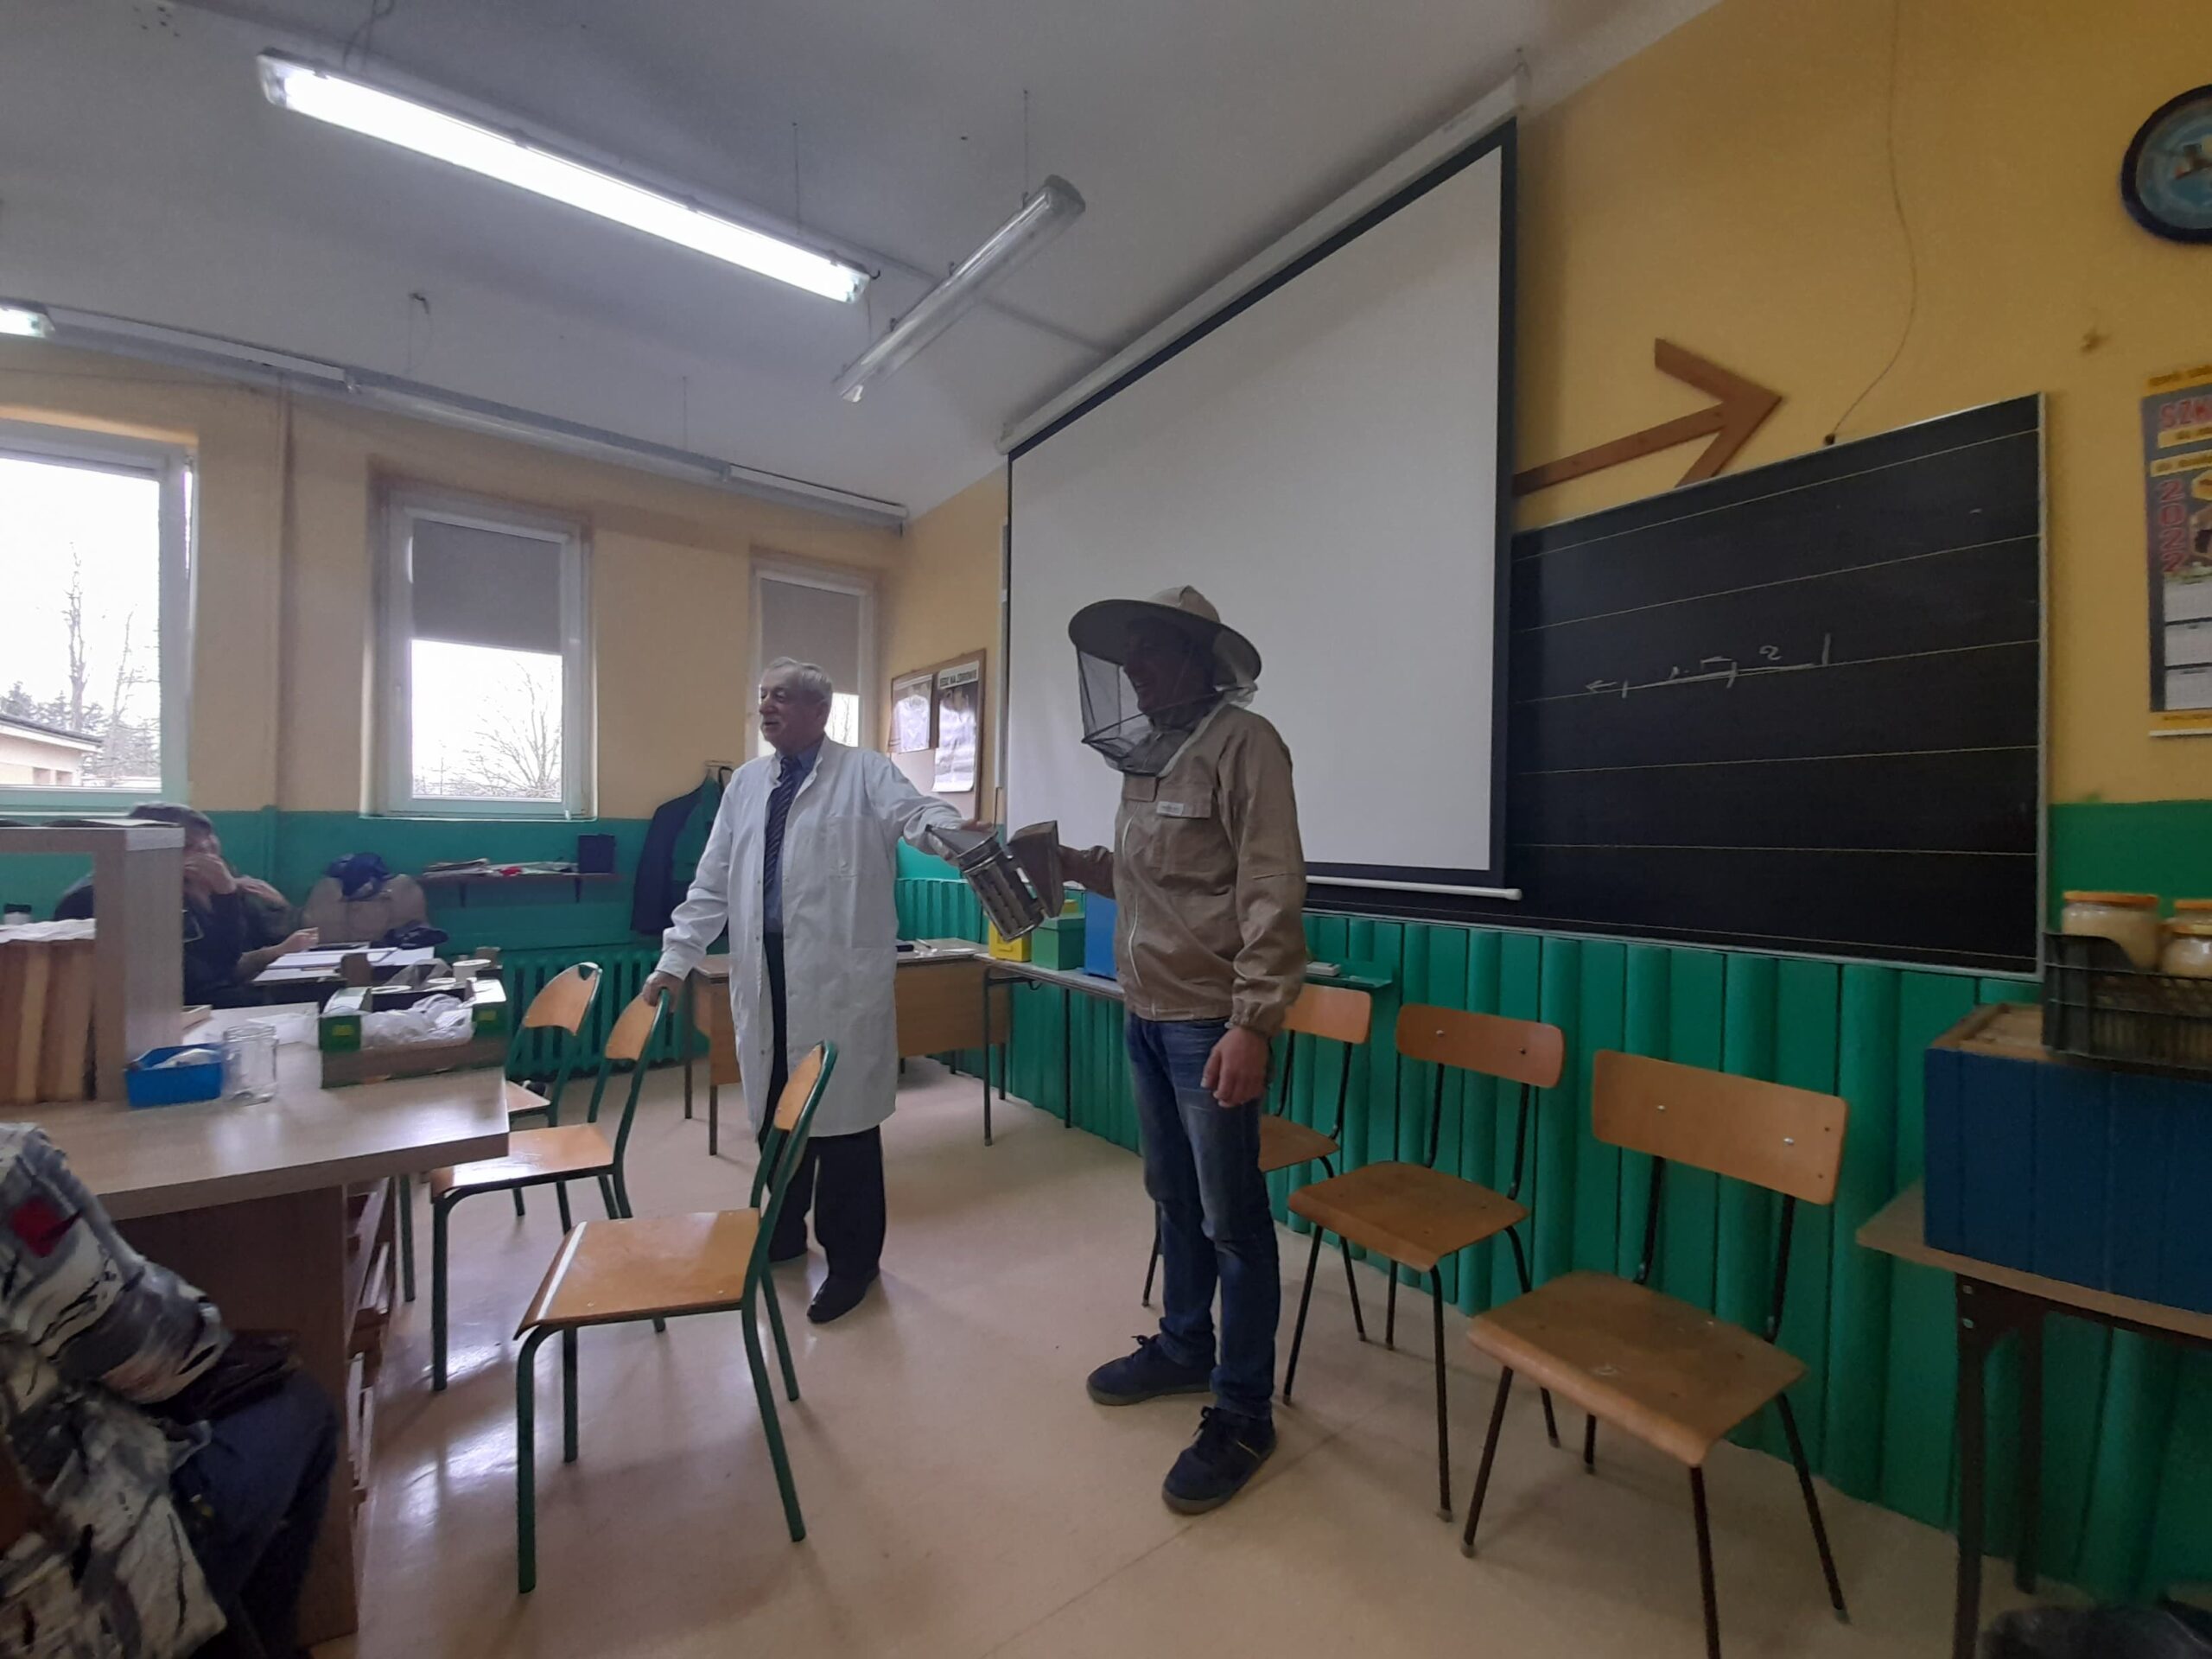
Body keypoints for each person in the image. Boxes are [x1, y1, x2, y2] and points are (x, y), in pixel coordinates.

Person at [1064, 586, 1306, 1515]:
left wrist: (1253, 1022)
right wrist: (1072, 865)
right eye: (1127, 656)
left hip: (1210, 1021)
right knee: (1172, 1197)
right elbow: (1148, 881)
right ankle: (1183, 1346)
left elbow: (1271, 886)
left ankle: (1243, 1412)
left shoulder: (1246, 745)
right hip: (1146, 1011)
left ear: (1200, 659)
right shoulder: (1148, 756)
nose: (1133, 670)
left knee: (1233, 1221)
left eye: (1150, 652)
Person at [644, 659, 962, 1325]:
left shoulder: (865, 772)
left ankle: (853, 1265)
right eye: (763, 696)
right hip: (764, 973)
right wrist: (675, 960)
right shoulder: (747, 784)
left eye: (782, 697)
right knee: (775, 1115)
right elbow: (712, 880)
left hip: (837, 977)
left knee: (844, 1131)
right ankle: (784, 1234)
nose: (767, 707)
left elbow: (917, 814)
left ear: (820, 710)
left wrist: (955, 834)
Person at [0, 1123, 340, 1659]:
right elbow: (160, 1356)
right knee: (298, 1406)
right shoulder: (9, 1174)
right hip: (62, 1606)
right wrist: (207, 1328)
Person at [54, 804, 315, 1006]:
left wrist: (266, 905)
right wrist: (225, 896)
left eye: (209, 839)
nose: (205, 852)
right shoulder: (100, 896)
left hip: (214, 993)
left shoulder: (203, 881)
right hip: (161, 1009)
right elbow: (210, 972)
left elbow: (230, 957)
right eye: (188, 845)